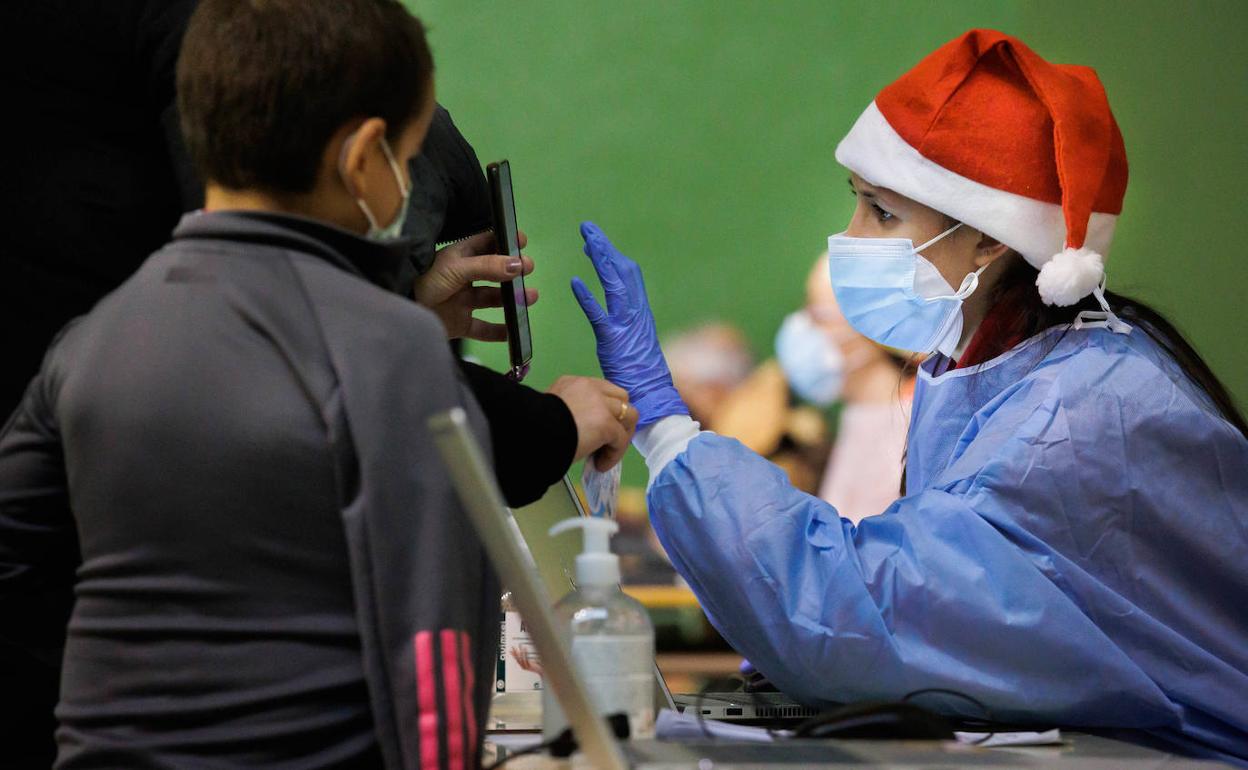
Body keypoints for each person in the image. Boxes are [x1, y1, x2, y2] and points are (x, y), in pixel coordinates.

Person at [571, 29, 1248, 764]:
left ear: (990, 241)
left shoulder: (1075, 416)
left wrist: (670, 432)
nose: (850, 236)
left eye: (882, 213)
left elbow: (861, 612)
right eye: (857, 204)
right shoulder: (998, 373)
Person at [0, 1, 638, 767]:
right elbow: (439, 633)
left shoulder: (90, 343)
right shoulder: (394, 350)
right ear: (366, 157)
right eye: (407, 157)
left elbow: (14, 554)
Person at [775, 255, 916, 522]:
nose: (804, 329)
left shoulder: (904, 434)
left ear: (874, 327)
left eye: (818, 317)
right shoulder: (864, 417)